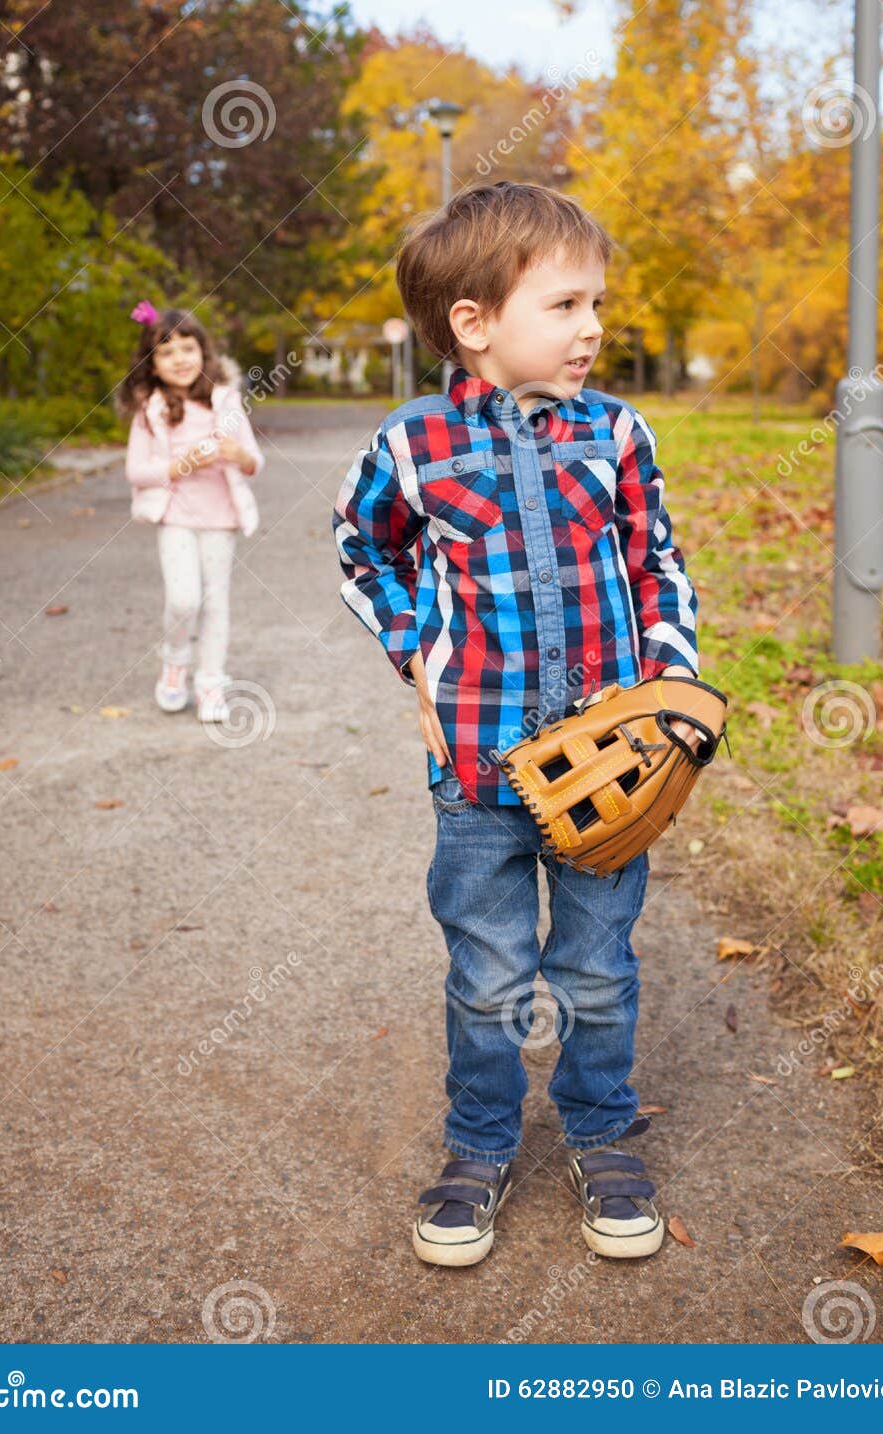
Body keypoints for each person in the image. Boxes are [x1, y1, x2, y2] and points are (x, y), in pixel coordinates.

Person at [332, 182, 704, 1268]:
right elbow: (364, 550)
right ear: (474, 322)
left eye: (598, 303)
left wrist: (671, 688)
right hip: (474, 766)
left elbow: (656, 563)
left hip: (609, 766)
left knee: (595, 965)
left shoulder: (617, 432)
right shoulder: (413, 442)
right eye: (566, 304)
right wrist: (419, 649)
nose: (593, 327)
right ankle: (479, 1143)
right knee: (487, 971)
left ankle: (601, 1132)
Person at [118, 303, 263, 725]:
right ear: (152, 363)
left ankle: (211, 681)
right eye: (166, 352)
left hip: (220, 518)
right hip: (176, 518)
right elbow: (135, 471)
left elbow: (254, 461)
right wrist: (180, 466)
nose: (179, 359)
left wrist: (238, 454)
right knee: (184, 598)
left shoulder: (226, 401)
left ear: (203, 352)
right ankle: (175, 661)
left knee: (216, 602)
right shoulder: (152, 411)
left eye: (187, 348)